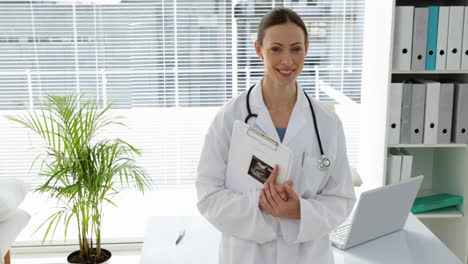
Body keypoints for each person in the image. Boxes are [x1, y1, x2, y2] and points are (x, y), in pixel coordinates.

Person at [196, 7, 356, 264]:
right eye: (276, 49)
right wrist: (259, 203)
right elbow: (208, 196)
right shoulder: (230, 118)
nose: (287, 60)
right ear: (259, 49)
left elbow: (341, 199)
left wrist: (299, 211)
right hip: (247, 255)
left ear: (307, 48)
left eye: (296, 49)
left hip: (308, 256)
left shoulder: (327, 123)